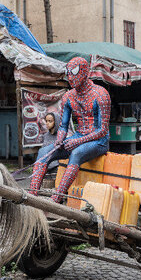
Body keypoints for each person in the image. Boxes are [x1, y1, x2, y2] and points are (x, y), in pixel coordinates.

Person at [29, 57, 111, 202]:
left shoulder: (101, 94)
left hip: (99, 141)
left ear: (85, 72)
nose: (70, 77)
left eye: (74, 72)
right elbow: (63, 126)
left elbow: (103, 130)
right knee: (44, 152)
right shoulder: (68, 96)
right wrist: (60, 139)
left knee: (76, 153)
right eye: (68, 73)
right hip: (79, 137)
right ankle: (32, 194)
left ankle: (56, 198)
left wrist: (77, 141)